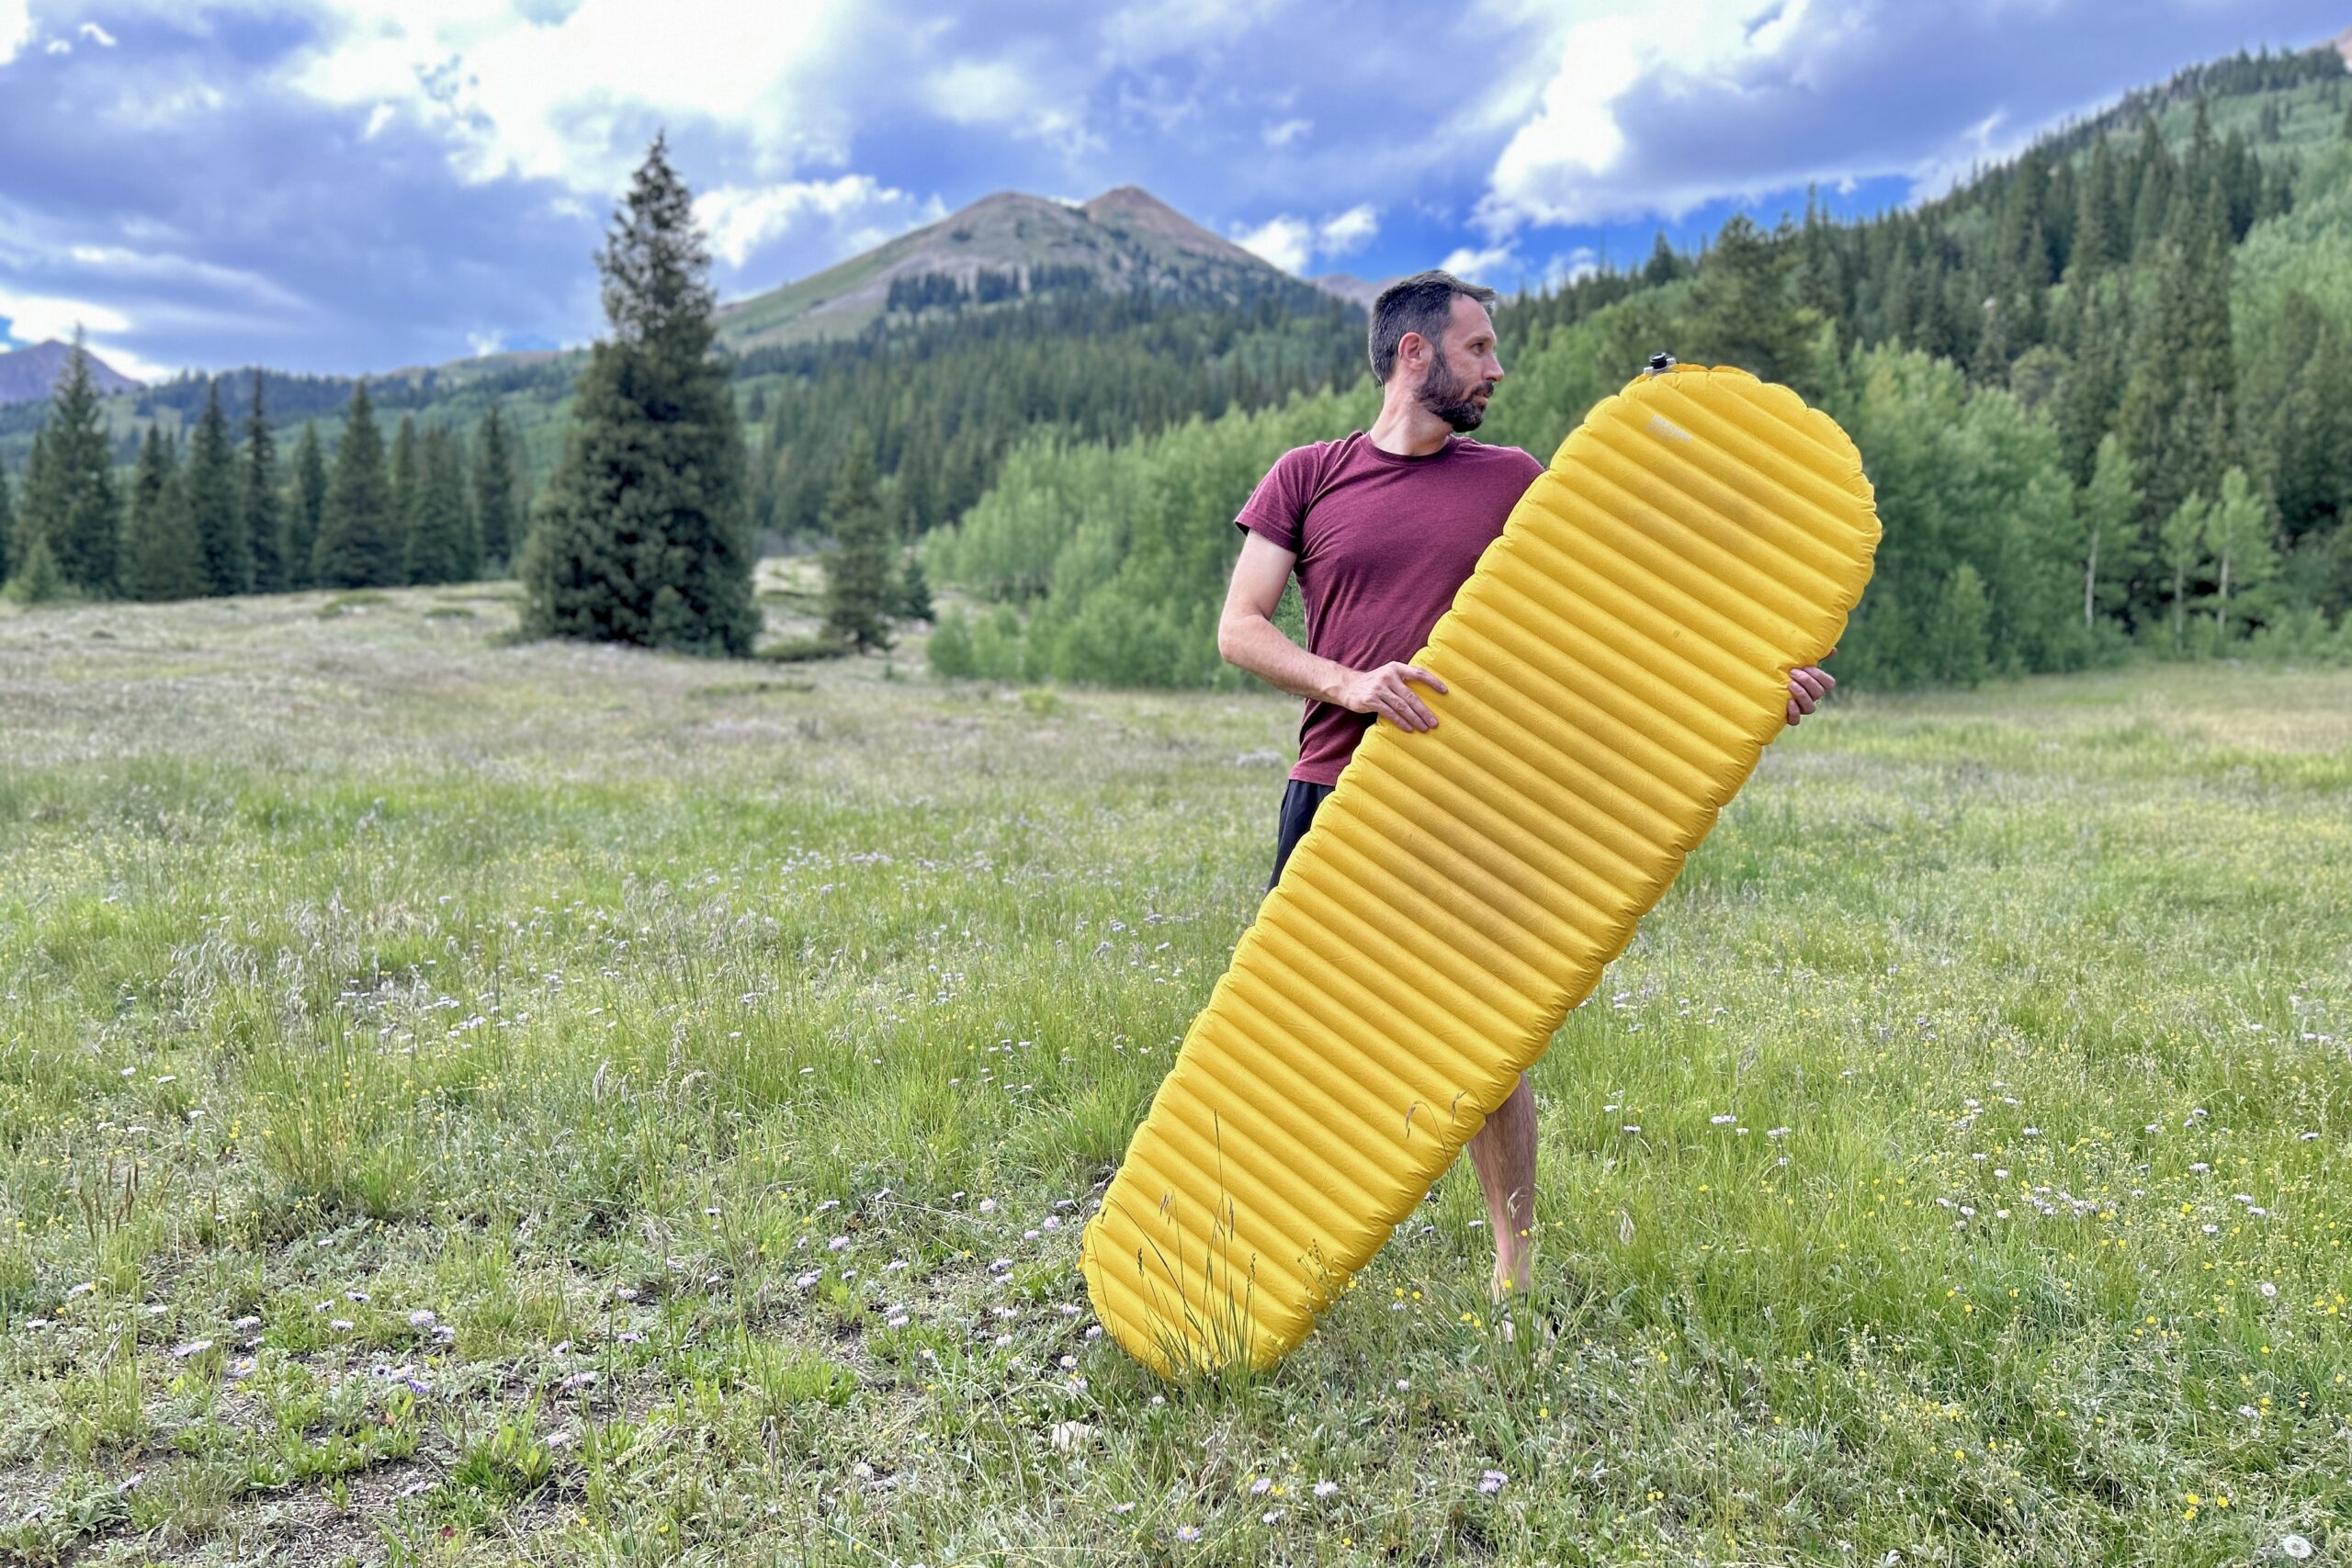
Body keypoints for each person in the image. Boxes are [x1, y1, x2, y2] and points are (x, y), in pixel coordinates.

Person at [1215, 269, 1836, 1302]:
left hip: (1476, 801)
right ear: (1413, 355)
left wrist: (1746, 691)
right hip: (1336, 788)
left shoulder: (1512, 479)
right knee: (1300, 1031)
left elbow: (1619, 617)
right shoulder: (1307, 475)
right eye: (1478, 350)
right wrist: (1351, 684)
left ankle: (1514, 1270)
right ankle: (1261, 1252)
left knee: (1483, 1044)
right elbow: (1241, 628)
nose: (1497, 369)